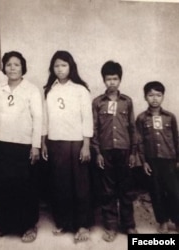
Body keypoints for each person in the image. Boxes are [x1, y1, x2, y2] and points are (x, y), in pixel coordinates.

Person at [0, 51, 42, 242]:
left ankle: (28, 226)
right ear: (4, 68)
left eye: (16, 64)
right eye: (8, 64)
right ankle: (6, 224)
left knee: (25, 186)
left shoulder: (31, 90)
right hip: (2, 144)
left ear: (22, 67)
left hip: (23, 145)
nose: (12, 68)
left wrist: (35, 146)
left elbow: (38, 118)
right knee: (3, 186)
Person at [41, 50, 94, 243]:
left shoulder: (80, 89)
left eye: (64, 65)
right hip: (55, 142)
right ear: (52, 68)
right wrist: (44, 142)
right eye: (56, 65)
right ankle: (64, 221)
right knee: (60, 184)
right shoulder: (49, 89)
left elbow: (87, 119)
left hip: (77, 142)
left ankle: (82, 224)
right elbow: (45, 118)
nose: (60, 69)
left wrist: (86, 145)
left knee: (80, 184)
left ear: (71, 67)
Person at [91, 60, 138, 242]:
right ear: (103, 80)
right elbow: (94, 128)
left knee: (126, 189)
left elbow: (132, 128)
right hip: (106, 151)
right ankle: (110, 226)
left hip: (125, 151)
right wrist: (98, 152)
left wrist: (133, 152)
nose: (112, 82)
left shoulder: (127, 102)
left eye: (115, 79)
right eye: (108, 79)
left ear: (120, 80)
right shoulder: (97, 102)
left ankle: (128, 225)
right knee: (107, 190)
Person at [136, 81, 179, 233]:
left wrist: (178, 159)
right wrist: (144, 162)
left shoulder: (170, 117)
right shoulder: (141, 119)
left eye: (158, 95)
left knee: (174, 192)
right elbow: (139, 142)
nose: (155, 98)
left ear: (163, 97)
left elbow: (176, 138)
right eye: (151, 95)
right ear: (145, 97)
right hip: (152, 161)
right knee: (157, 192)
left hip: (169, 160)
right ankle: (162, 221)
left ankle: (177, 220)